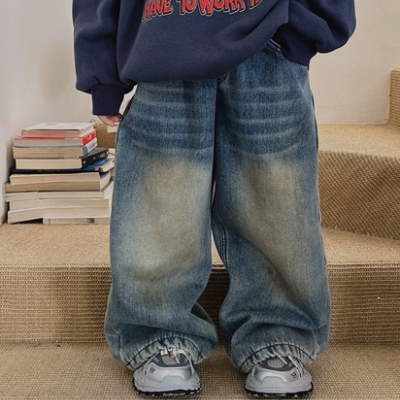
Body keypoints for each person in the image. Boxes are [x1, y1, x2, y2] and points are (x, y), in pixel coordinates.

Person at [72, 0, 356, 397]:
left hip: (269, 44)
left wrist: (307, 26)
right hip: (161, 42)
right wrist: (102, 74)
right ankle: (160, 334)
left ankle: (277, 334)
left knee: (276, 207)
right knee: (160, 208)